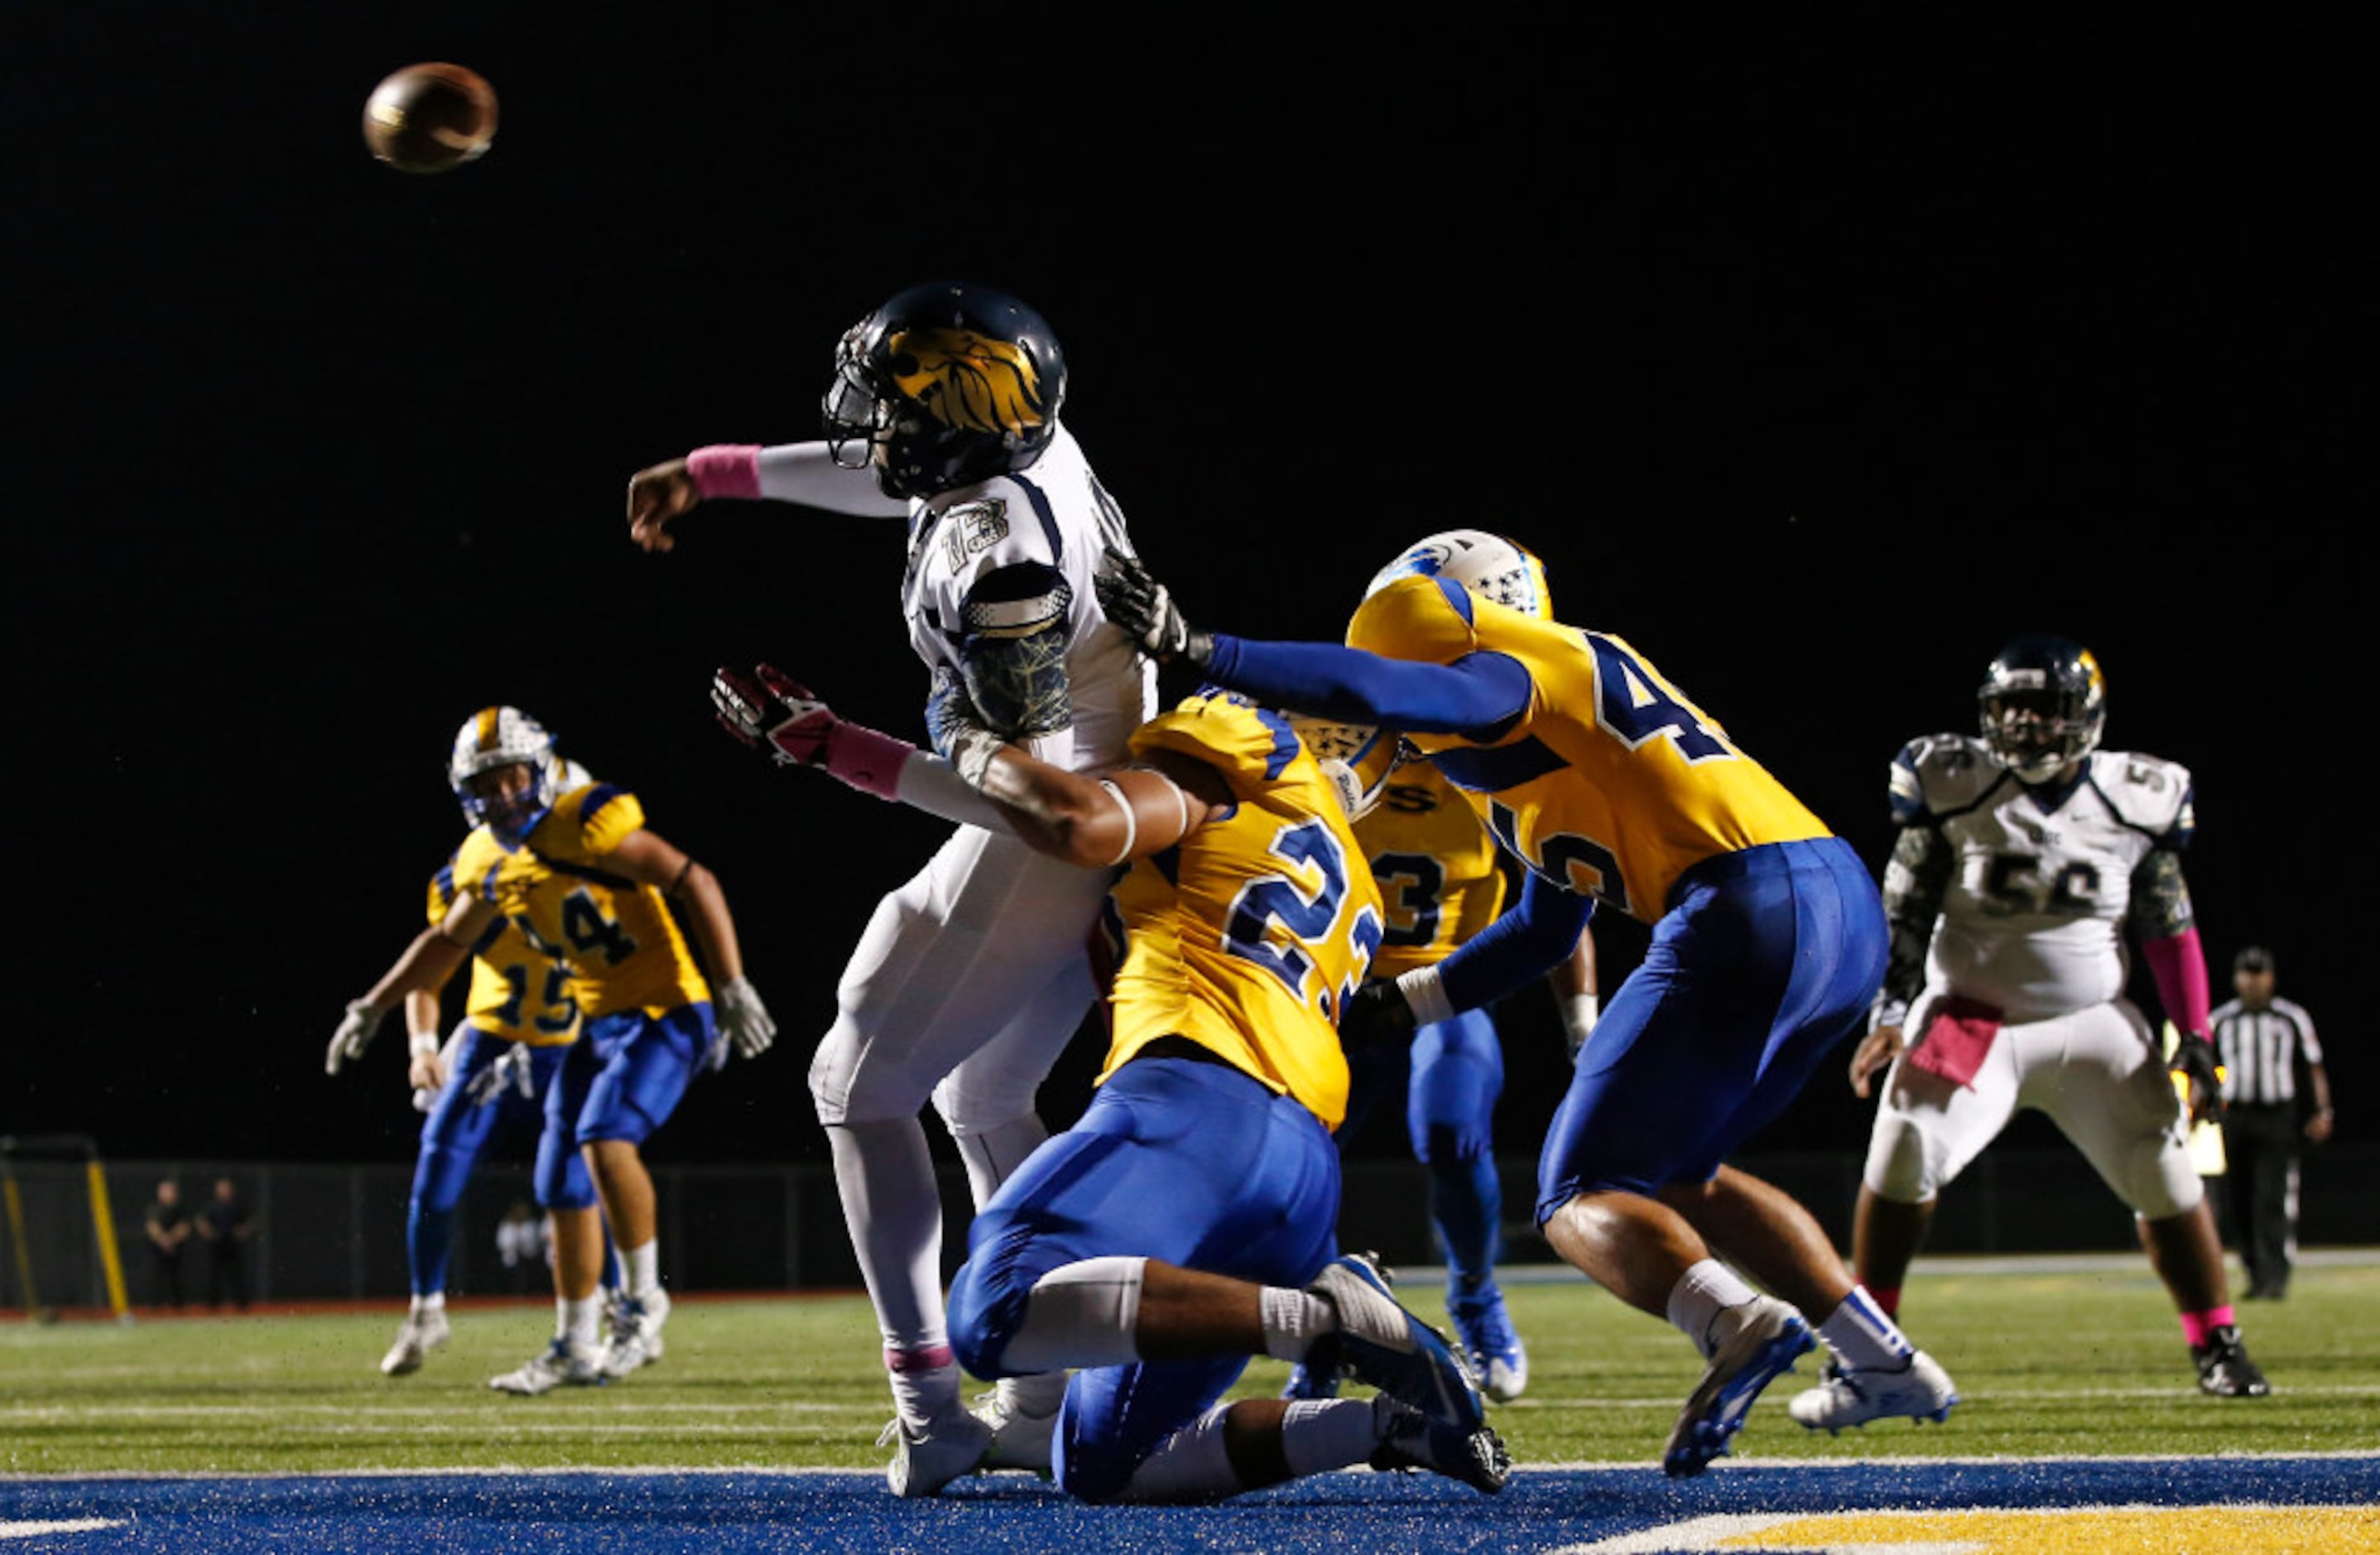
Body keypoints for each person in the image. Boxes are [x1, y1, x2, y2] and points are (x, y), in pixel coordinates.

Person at [1094, 529, 1948, 1476]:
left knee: (1580, 1190)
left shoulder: (1511, 671)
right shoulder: (1553, 734)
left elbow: (1419, 692)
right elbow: (1545, 929)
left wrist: (1211, 652)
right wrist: (1402, 1006)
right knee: (1682, 1172)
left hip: (1741, 904)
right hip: (1834, 904)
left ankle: (1735, 1322)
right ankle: (1884, 1361)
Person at [713, 662, 1509, 1501]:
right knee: (1104, 1468)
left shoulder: (1243, 739)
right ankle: (1392, 1427)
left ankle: (1324, 1318)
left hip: (1201, 1104)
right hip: (1300, 1169)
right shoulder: (1349, 873)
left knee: (993, 1311)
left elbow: (1078, 821)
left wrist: (890, 746)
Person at [625, 281, 1156, 1492]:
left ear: (957, 419)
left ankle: (932, 1411)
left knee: (855, 1083)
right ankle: (1037, 1392)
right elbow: (897, 475)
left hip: (1061, 829)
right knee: (982, 1090)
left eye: (898, 408)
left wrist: (828, 745)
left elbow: (1017, 793)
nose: (870, 427)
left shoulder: (1001, 557)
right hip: (1105, 808)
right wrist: (715, 472)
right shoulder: (1020, 461)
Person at [1835, 636, 2268, 1399]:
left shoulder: (2136, 795)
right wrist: (1893, 1009)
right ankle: (1867, 1349)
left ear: (2085, 715)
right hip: (1968, 1018)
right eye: (2012, 709)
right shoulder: (1952, 783)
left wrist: (2195, 1033)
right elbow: (1902, 909)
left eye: (2046, 709)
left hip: (2092, 1020)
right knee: (1899, 1154)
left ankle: (2217, 1343)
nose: (2029, 725)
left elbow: (2168, 926)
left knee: (2164, 1169)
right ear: (1986, 715)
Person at [327, 706, 777, 1392]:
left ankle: (640, 1305)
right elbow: (446, 944)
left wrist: (732, 986)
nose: (503, 796)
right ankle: (573, 1343)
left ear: (540, 768)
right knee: (558, 1182)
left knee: (603, 1137)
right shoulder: (481, 859)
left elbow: (694, 880)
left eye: (513, 777)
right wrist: (375, 1004)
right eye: (485, 784)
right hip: (595, 1024)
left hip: (665, 1009)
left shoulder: (584, 821)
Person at [1284, 720, 1600, 1404]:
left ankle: (1475, 1298)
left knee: (1452, 1129)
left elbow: (1561, 899)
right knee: (1300, 1155)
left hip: (1445, 992)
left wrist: (1582, 1022)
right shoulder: (1335, 763)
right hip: (1341, 996)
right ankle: (1325, 1322)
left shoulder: (1489, 775)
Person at [358, 758, 608, 1379]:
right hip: (491, 1041)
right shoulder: (476, 873)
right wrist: (421, 1045)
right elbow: (432, 966)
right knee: (436, 1170)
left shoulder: (597, 871)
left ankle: (596, 1312)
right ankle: (426, 1310)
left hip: (566, 1045)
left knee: (576, 1182)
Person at [2210, 946, 2333, 1301]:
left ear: (2270, 978)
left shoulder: (2291, 1017)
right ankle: (2255, 1274)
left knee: (2271, 1198)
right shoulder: (2222, 1020)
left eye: (2258, 973)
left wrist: (2322, 1111)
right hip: (2236, 1116)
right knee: (2238, 1200)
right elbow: (2206, 1070)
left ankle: (2276, 1277)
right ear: (2236, 979)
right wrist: (2201, 1108)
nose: (2252, 981)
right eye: (2246, 974)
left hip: (2277, 1116)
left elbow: (2313, 1066)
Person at [197, 1177, 256, 1310]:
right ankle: (213, 1305)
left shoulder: (238, 1205)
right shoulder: (210, 1206)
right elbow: (201, 1221)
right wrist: (207, 1231)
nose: (224, 1191)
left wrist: (243, 1230)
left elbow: (250, 1222)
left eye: (226, 1188)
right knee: (214, 1275)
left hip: (233, 1245)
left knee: (236, 1275)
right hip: (216, 1245)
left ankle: (242, 1304)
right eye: (221, 1188)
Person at [142, 1179, 190, 1310]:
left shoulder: (181, 1209)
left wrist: (171, 1240)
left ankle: (178, 1306)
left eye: (170, 1190)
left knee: (176, 1277)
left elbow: (184, 1227)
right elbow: (152, 1226)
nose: (167, 1193)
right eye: (164, 1190)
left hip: (176, 1248)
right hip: (157, 1248)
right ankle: (154, 1306)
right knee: (156, 1276)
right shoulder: (153, 1208)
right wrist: (163, 1240)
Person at [498, 1200, 551, 1295]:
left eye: (523, 1211)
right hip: (512, 1260)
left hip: (530, 1258)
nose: (521, 1213)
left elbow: (536, 1243)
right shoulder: (506, 1226)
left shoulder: (531, 1225)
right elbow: (502, 1245)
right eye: (519, 1211)